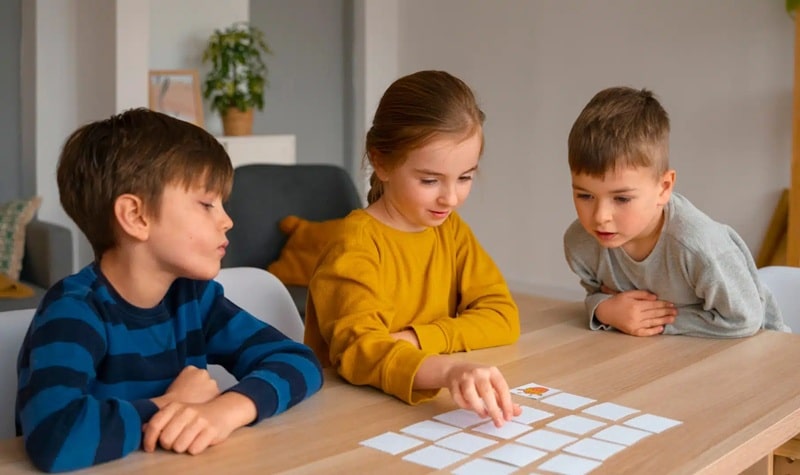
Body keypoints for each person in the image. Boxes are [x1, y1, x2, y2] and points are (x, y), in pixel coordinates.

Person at [15, 109, 323, 473]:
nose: (227, 220)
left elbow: (299, 360)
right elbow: (54, 437)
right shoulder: (74, 312)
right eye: (207, 204)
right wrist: (169, 404)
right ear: (136, 216)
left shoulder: (194, 299)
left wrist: (225, 411)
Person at [303, 70, 521, 427]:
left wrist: (418, 339)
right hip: (351, 417)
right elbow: (359, 351)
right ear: (381, 162)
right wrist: (446, 369)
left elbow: (502, 317)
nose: (450, 198)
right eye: (430, 180)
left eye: (465, 177)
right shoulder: (354, 243)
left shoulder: (450, 230)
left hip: (411, 412)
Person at [563, 86, 789, 338]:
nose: (600, 216)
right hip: (667, 353)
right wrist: (605, 310)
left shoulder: (698, 247)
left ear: (664, 188)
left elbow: (745, 319)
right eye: (585, 196)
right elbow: (597, 294)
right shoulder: (580, 243)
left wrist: (655, 322)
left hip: (761, 348)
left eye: (622, 198)